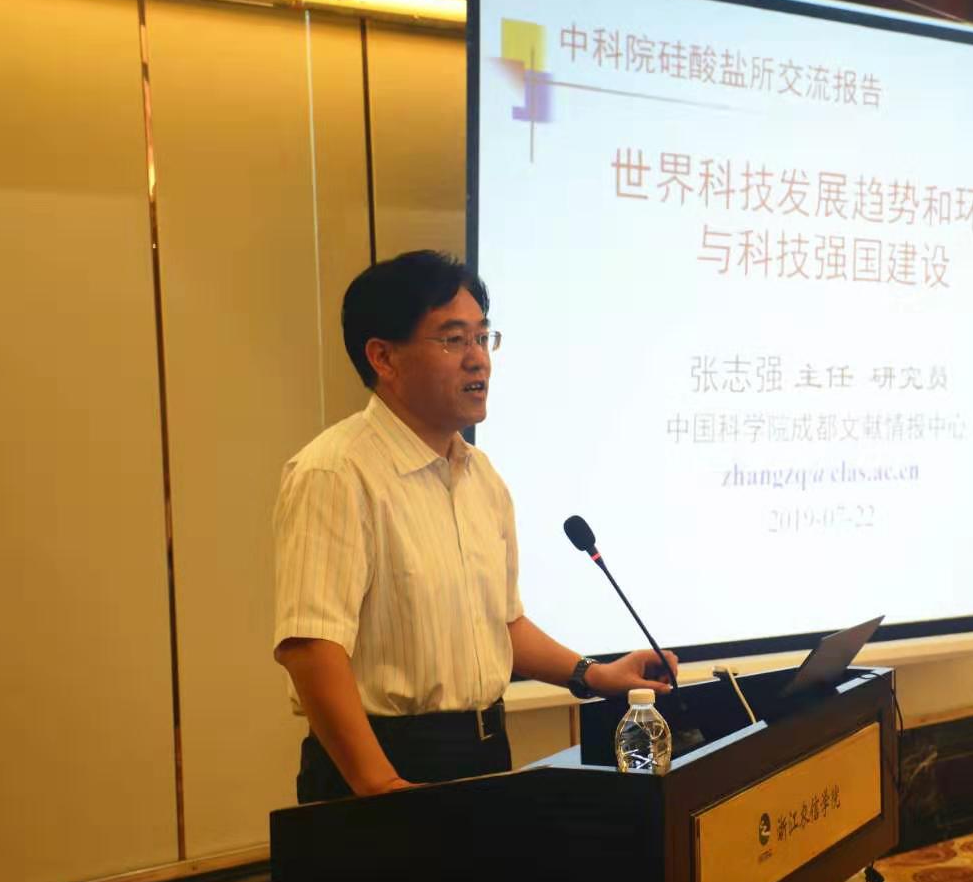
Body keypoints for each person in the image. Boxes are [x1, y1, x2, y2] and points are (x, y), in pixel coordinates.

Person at [272, 250, 675, 802]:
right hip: (384, 767)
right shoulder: (336, 473)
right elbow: (311, 649)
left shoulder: (480, 475)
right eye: (453, 339)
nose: (478, 360)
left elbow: (501, 624)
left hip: (484, 752)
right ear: (383, 357)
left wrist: (595, 674)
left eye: (483, 338)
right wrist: (379, 784)